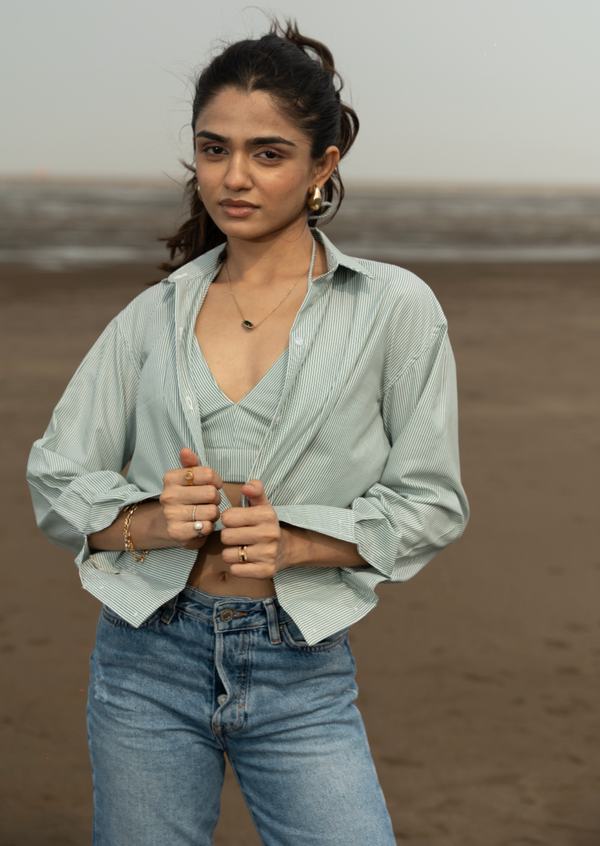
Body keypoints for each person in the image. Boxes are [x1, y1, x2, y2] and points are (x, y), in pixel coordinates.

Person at [27, 19, 469, 846]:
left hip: (298, 665)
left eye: (267, 153)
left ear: (321, 167)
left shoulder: (393, 310)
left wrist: (299, 543)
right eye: (213, 148)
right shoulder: (151, 317)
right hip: (144, 658)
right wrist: (146, 523)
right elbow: (57, 474)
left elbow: (431, 502)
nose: (233, 177)